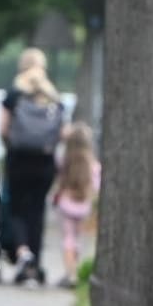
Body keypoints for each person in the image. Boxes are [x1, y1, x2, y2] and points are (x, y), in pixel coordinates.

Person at [0, 47, 65, 286]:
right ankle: (35, 265)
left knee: (16, 208)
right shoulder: (53, 96)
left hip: (18, 159)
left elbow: (4, 129)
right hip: (45, 162)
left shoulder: (15, 94)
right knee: (37, 211)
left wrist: (12, 146)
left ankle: (22, 253)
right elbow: (60, 132)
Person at [51, 121, 101, 288]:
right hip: (84, 205)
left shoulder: (64, 159)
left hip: (66, 203)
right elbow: (96, 185)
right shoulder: (92, 165)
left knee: (67, 239)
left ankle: (70, 273)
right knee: (78, 240)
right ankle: (75, 270)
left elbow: (58, 176)